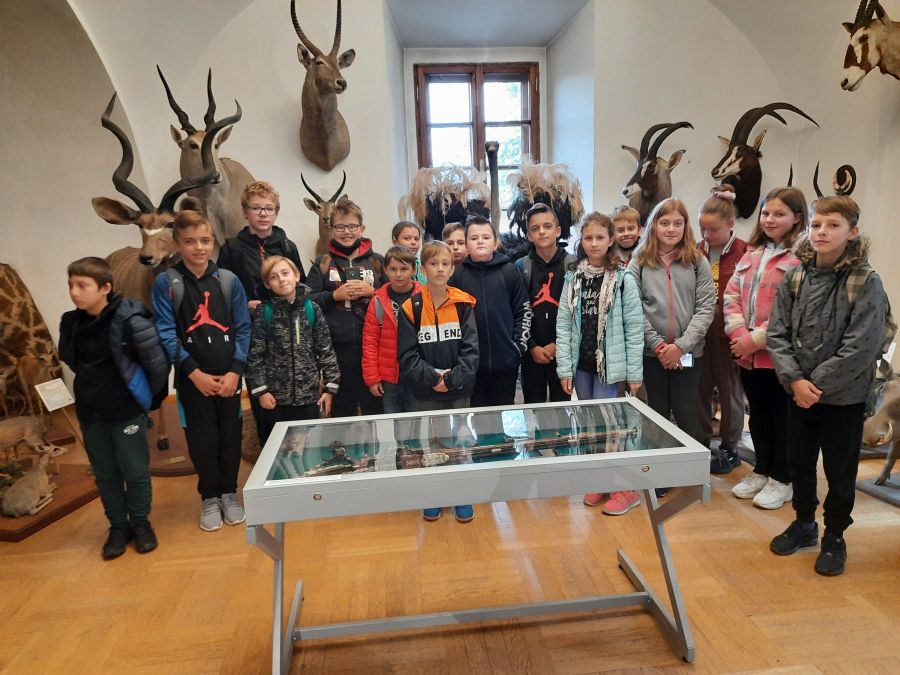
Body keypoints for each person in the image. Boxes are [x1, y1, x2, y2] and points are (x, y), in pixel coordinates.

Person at [767, 196, 887, 576]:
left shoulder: (866, 281)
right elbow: (777, 333)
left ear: (852, 232)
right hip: (798, 393)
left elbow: (862, 345)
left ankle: (834, 534)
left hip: (843, 398)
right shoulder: (795, 277)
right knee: (799, 462)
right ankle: (804, 523)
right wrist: (794, 380)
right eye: (816, 225)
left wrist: (812, 385)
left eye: (833, 225)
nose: (822, 232)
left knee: (839, 469)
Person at [59, 257, 169, 559]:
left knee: (135, 470)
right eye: (71, 285)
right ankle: (118, 526)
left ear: (105, 288)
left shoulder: (131, 320)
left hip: (125, 411)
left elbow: (157, 365)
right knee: (105, 473)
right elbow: (70, 358)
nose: (74, 292)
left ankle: (141, 523)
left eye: (82, 286)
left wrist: (147, 400)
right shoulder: (70, 322)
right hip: (90, 411)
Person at [152, 210, 251, 533]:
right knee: (202, 439)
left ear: (212, 242)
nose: (199, 247)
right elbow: (166, 332)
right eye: (190, 241)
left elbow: (243, 328)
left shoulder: (228, 281)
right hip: (193, 379)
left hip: (229, 377)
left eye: (205, 240)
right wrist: (194, 373)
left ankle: (229, 493)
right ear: (177, 244)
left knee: (230, 437)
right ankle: (209, 496)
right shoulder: (167, 283)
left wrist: (236, 371)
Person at [556, 213, 644, 514]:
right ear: (582, 241)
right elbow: (564, 324)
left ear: (610, 240)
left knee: (613, 424)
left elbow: (634, 327)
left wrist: (634, 373)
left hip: (610, 367)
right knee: (591, 424)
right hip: (582, 366)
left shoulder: (623, 279)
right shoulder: (573, 278)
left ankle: (625, 487)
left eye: (599, 238)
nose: (593, 243)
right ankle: (601, 480)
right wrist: (564, 368)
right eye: (588, 238)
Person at [723, 187, 805, 509]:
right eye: (766, 213)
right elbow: (731, 296)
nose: (770, 219)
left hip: (780, 358)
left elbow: (795, 311)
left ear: (797, 217)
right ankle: (762, 469)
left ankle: (783, 479)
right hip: (748, 357)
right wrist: (739, 334)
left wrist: (754, 339)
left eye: (779, 214)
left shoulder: (802, 258)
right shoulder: (752, 253)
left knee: (781, 419)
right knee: (757, 416)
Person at [217, 181, 306, 447]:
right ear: (245, 212)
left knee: (294, 391)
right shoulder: (232, 248)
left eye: (268, 208)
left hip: (288, 329)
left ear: (276, 212)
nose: (263, 214)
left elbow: (301, 286)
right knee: (262, 392)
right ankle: (269, 446)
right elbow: (223, 290)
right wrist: (246, 305)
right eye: (256, 208)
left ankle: (297, 448)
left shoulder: (287, 246)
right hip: (254, 328)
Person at [397, 241, 479, 523]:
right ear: (423, 269)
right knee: (431, 446)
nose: (440, 269)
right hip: (426, 391)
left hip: (458, 389)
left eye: (445, 264)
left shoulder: (463, 303)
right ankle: (433, 495)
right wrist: (433, 378)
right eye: (434, 264)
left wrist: (453, 378)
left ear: (452, 268)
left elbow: (471, 350)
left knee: (461, 442)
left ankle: (461, 495)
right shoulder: (410, 307)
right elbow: (407, 354)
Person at [628, 198, 715, 449]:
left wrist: (680, 347)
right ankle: (659, 469)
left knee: (687, 413)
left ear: (686, 226)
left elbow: (706, 308)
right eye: (664, 223)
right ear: (654, 225)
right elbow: (633, 308)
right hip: (651, 354)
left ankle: (691, 466)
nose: (671, 229)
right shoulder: (639, 261)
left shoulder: (697, 261)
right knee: (656, 414)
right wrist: (658, 346)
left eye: (678, 223)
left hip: (688, 353)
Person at [305, 197, 386, 418]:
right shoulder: (322, 263)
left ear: (362, 228)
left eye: (352, 226)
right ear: (331, 230)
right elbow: (307, 302)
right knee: (342, 412)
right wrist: (334, 296)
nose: (346, 232)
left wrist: (373, 292)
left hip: (373, 349)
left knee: (374, 410)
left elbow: (395, 297)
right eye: (340, 227)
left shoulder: (377, 262)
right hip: (336, 350)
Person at [246, 256, 340, 447]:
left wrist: (330, 389)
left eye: (285, 273)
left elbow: (326, 350)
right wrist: (261, 391)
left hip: (309, 397)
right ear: (267, 284)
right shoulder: (265, 312)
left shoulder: (311, 309)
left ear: (296, 275)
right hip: (276, 399)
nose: (281, 279)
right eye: (274, 277)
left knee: (307, 447)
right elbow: (256, 355)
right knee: (279, 448)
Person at [449, 216, 531, 407]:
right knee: (477, 415)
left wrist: (517, 348)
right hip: (471, 364)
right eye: (474, 238)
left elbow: (523, 311)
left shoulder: (509, 271)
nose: (480, 241)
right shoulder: (457, 275)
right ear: (466, 245)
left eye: (485, 237)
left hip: (506, 362)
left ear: (495, 243)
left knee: (503, 411)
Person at [696, 187, 748, 475]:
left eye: (713, 230)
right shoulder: (695, 251)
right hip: (700, 334)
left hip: (729, 336)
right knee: (700, 390)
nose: (707, 235)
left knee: (730, 392)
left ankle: (730, 446)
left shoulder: (746, 253)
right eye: (702, 229)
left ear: (730, 224)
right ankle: (701, 441)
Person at [516, 203, 576, 404]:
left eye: (547, 226)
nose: (542, 231)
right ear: (529, 235)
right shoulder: (521, 267)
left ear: (558, 230)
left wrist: (558, 345)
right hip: (531, 352)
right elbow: (517, 311)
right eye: (535, 228)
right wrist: (531, 346)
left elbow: (579, 312)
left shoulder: (573, 265)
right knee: (534, 408)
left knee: (563, 407)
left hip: (564, 351)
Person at [362, 246, 422, 414]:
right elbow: (370, 342)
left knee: (418, 422)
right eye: (393, 269)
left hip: (418, 374)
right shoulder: (378, 301)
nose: (398, 274)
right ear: (385, 270)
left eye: (404, 269)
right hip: (389, 378)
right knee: (393, 421)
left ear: (413, 270)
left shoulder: (424, 297)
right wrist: (372, 378)